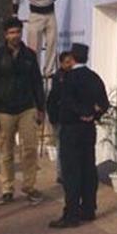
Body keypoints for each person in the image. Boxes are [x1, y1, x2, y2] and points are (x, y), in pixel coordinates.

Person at [49, 43, 109, 229]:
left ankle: (72, 214)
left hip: (71, 129)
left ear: (73, 58)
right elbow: (104, 103)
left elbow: (65, 102)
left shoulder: (67, 78)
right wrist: (93, 114)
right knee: (88, 169)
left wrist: (81, 113)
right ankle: (89, 209)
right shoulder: (94, 77)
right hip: (88, 130)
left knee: (71, 172)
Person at [0, 16, 46, 205]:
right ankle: (7, 189)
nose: (15, 35)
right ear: (5, 35)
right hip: (3, 109)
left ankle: (29, 186)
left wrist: (41, 107)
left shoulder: (29, 55)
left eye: (18, 32)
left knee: (29, 148)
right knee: (6, 151)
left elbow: (37, 82)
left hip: (26, 108)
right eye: (11, 33)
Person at [11, 0, 75, 77]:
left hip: (50, 15)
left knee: (52, 42)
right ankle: (34, 71)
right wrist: (15, 14)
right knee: (34, 46)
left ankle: (48, 71)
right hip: (36, 16)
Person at [46, 51, 74, 184]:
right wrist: (53, 118)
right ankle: (61, 174)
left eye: (71, 62)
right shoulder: (59, 78)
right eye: (67, 62)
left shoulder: (72, 76)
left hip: (69, 118)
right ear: (61, 63)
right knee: (61, 146)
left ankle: (67, 172)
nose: (70, 65)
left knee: (68, 146)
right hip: (59, 117)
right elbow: (54, 99)